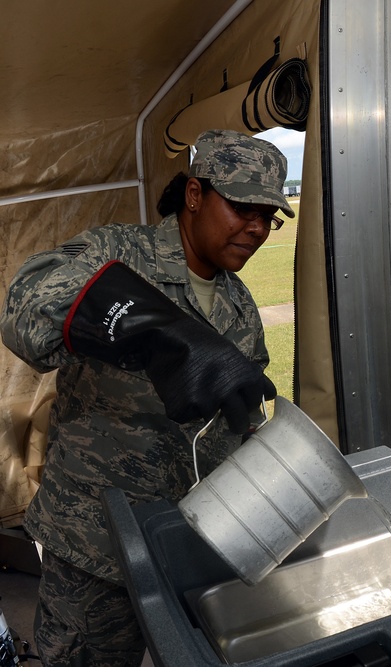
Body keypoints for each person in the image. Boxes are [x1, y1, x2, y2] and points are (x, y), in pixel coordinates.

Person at [0, 128, 294, 667]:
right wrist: (159, 330)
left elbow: (231, 421)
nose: (256, 228)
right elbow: (24, 312)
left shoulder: (239, 303)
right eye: (243, 206)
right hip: (96, 547)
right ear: (195, 194)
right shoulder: (118, 254)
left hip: (191, 541)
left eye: (268, 216)